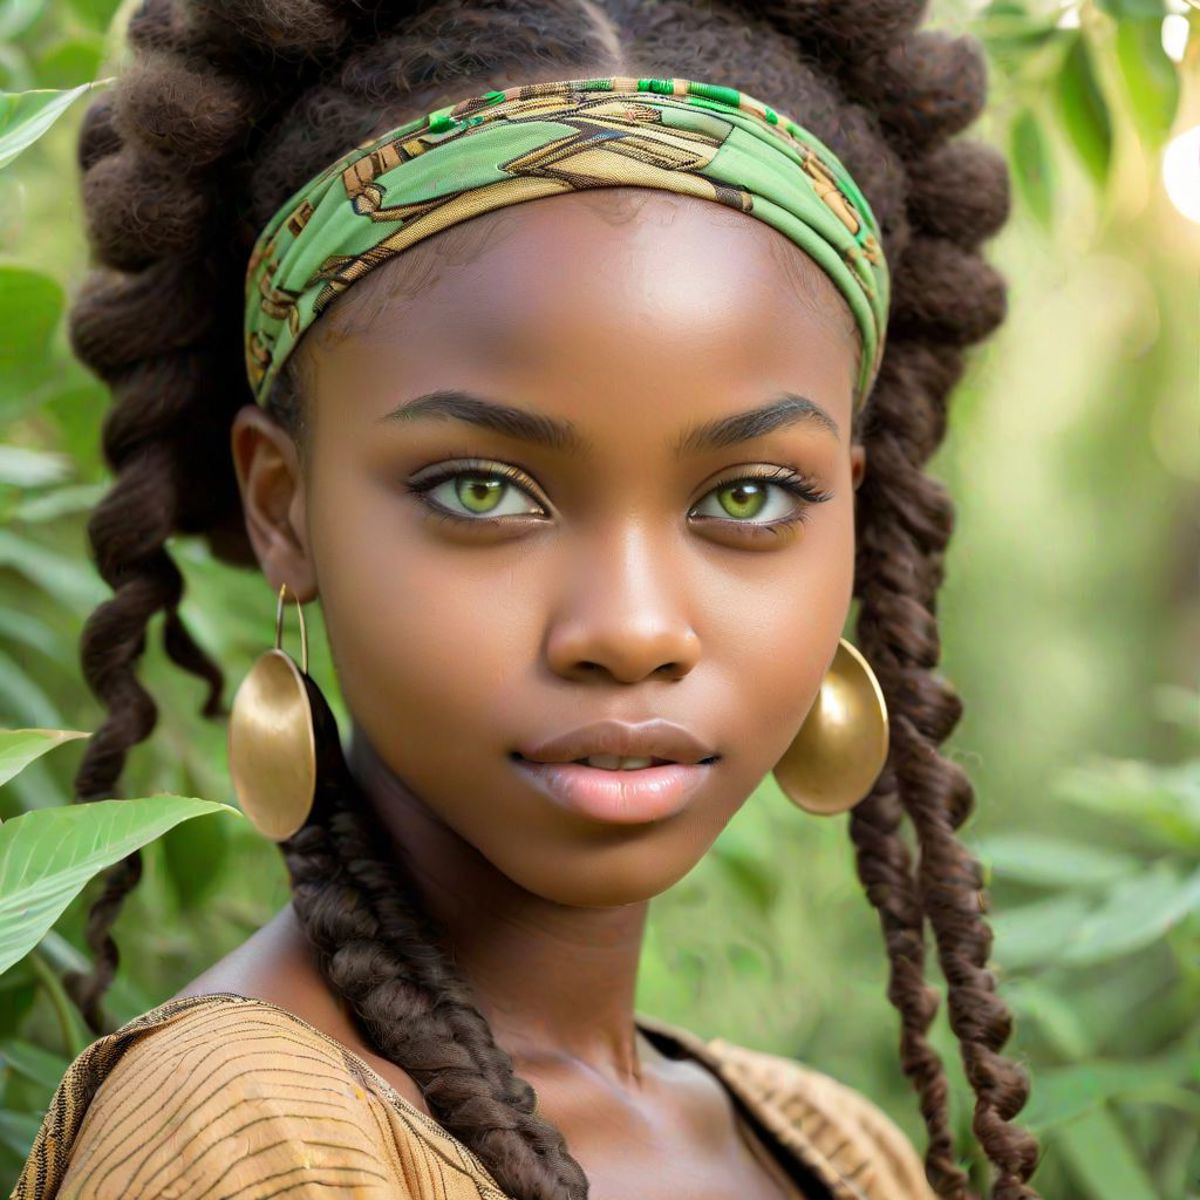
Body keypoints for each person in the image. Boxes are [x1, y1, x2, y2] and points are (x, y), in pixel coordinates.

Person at [11, 1, 1042, 1198]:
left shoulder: (836, 1149)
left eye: (751, 496)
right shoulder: (249, 1138)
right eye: (487, 489)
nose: (633, 630)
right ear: (283, 508)